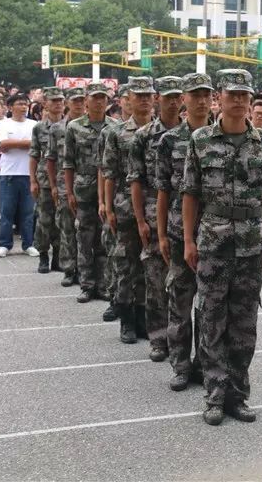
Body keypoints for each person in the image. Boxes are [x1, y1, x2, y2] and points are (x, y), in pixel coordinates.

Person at [181, 68, 262, 426]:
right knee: (211, 320)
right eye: (232, 94)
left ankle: (238, 394)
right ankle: (214, 394)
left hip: (252, 243)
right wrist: (189, 240)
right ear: (219, 98)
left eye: (244, 95)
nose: (239, 101)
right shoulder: (201, 140)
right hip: (213, 242)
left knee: (244, 323)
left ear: (251, 99)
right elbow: (189, 194)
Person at [156, 73, 213, 391]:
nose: (202, 100)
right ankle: (180, 365)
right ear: (184, 99)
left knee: (209, 305)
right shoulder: (169, 141)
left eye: (206, 94)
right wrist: (162, 234)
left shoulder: (220, 137)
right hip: (179, 233)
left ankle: (203, 363)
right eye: (195, 94)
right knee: (179, 300)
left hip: (215, 234)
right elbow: (162, 191)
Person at [129, 76, 183, 361]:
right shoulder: (144, 136)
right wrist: (140, 220)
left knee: (183, 285)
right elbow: (136, 181)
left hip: (186, 217)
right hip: (153, 214)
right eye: (168, 96)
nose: (173, 101)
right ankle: (159, 339)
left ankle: (180, 341)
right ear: (158, 99)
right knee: (155, 282)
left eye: (178, 96)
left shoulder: (197, 134)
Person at [103, 77, 155, 344]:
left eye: (148, 95)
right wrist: (108, 206)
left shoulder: (163, 132)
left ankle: (144, 317)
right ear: (128, 99)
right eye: (139, 95)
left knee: (151, 265)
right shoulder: (117, 133)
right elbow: (109, 173)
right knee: (126, 264)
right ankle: (126, 319)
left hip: (156, 207)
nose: (144, 99)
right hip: (124, 206)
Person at [63, 83, 115, 303]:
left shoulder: (115, 126)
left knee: (104, 238)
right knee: (84, 237)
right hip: (84, 189)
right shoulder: (74, 127)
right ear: (86, 100)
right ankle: (86, 284)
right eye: (95, 98)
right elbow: (68, 163)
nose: (99, 101)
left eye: (103, 98)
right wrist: (69, 192)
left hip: (107, 192)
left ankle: (103, 284)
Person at [46, 87, 85, 287]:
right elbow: (50, 160)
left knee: (87, 231)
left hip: (87, 185)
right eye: (74, 100)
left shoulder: (92, 127)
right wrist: (53, 185)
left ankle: (88, 271)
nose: (78, 104)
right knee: (67, 228)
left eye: (81, 100)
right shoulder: (57, 129)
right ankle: (70, 269)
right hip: (63, 184)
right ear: (67, 103)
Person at [0, 94, 39, 257]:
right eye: (20, 104)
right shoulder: (3, 124)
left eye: (25, 104)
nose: (24, 106)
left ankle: (28, 244)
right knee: (7, 212)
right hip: (9, 174)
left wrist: (15, 144)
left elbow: (37, 145)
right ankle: (5, 244)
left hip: (29, 174)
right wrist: (26, 143)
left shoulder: (34, 124)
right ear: (10, 107)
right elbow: (3, 145)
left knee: (28, 213)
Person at [29, 87, 64, 273]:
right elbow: (34, 155)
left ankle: (58, 256)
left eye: (60, 100)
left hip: (64, 178)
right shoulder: (39, 127)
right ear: (45, 104)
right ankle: (43, 255)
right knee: (44, 218)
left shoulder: (70, 125)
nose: (58, 104)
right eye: (53, 101)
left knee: (62, 219)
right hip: (44, 179)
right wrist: (32, 181)